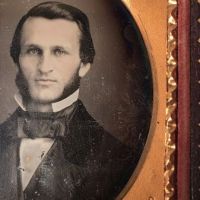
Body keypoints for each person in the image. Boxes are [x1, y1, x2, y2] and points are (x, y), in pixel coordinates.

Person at [0, 2, 135, 200]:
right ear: (17, 58)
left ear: (84, 64)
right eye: (34, 51)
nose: (44, 67)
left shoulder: (116, 157)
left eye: (59, 51)